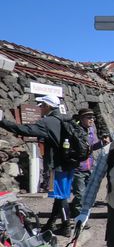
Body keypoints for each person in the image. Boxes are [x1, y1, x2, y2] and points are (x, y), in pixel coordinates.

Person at [0, 95, 74, 236]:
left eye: (42, 105)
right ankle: (51, 223)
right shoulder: (66, 119)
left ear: (48, 106)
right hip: (69, 163)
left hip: (57, 164)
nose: (40, 108)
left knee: (60, 195)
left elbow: (25, 130)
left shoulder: (48, 122)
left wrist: (3, 122)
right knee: (60, 195)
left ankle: (66, 225)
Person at [70, 108, 110, 219]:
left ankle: (74, 210)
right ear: (81, 118)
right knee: (80, 195)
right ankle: (79, 218)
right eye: (88, 118)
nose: (91, 120)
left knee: (87, 195)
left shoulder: (91, 130)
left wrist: (102, 143)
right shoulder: (76, 131)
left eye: (93, 118)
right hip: (78, 167)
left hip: (88, 167)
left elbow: (91, 147)